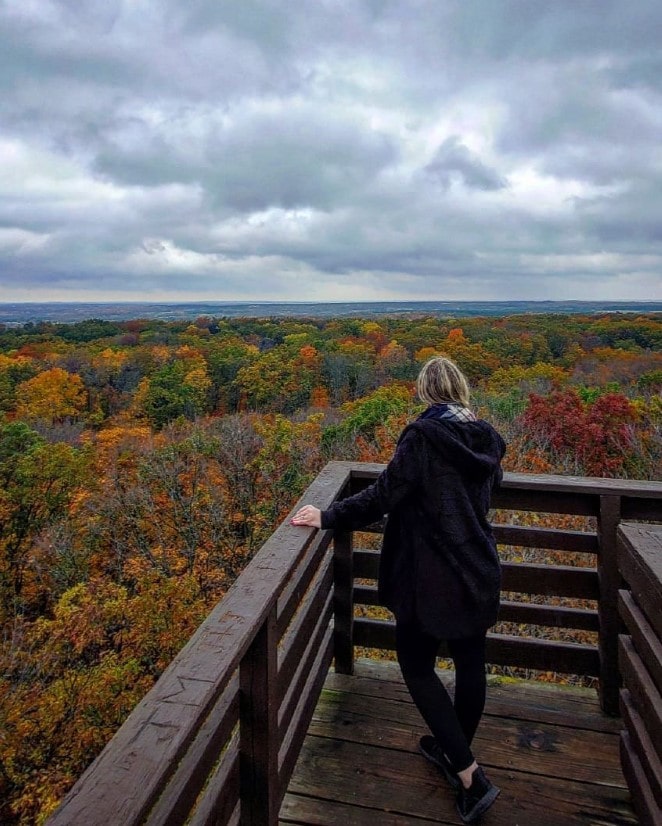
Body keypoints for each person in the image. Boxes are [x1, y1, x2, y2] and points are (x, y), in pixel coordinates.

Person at [291, 356, 506, 824]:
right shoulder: (488, 439)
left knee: (415, 664)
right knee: (471, 663)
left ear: (426, 392)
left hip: (430, 576)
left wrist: (326, 516)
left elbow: (382, 495)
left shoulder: (422, 438)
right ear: (462, 388)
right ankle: (454, 748)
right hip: (478, 568)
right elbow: (478, 496)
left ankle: (469, 773)